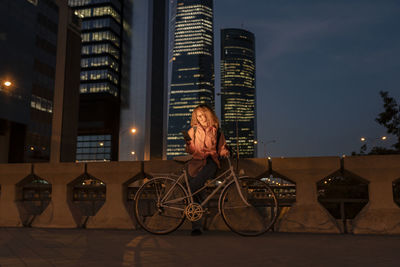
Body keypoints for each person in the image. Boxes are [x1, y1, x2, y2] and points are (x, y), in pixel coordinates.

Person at [184, 104, 229, 236]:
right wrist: (188, 143)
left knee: (193, 188)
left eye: (204, 114)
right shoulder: (193, 130)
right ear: (196, 117)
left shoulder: (216, 130)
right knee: (197, 195)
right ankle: (196, 227)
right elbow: (191, 151)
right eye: (199, 115)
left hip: (210, 162)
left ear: (208, 115)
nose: (202, 117)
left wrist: (225, 152)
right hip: (195, 163)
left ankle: (194, 218)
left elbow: (221, 147)